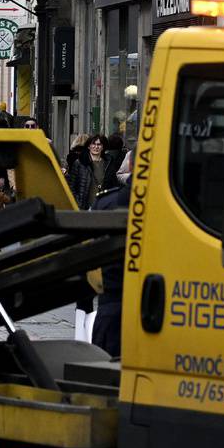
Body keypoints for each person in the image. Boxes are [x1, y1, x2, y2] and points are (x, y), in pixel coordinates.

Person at [89, 144, 135, 357]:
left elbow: (89, 256)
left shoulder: (106, 202)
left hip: (111, 308)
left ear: (132, 164)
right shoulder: (174, 204)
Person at [65, 134, 120, 210]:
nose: (96, 147)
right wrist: (78, 203)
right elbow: (71, 186)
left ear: (103, 147)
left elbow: (114, 184)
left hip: (104, 207)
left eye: (99, 144)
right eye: (93, 144)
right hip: (84, 207)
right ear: (88, 146)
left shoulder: (109, 162)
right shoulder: (80, 163)